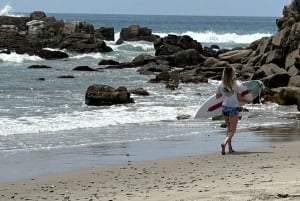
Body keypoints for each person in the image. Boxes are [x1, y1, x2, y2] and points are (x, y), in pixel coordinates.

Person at [216, 66, 251, 155]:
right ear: (233, 74)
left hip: (224, 107)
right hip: (233, 108)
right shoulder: (237, 84)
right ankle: (224, 143)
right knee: (232, 130)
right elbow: (239, 98)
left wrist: (225, 94)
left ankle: (230, 148)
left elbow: (217, 96)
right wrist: (248, 100)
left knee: (229, 129)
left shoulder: (221, 84)